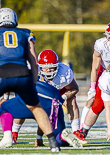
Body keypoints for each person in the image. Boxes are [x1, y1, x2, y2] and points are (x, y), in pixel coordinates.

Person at [0, 8, 59, 152]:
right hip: (22, 73)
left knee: (3, 106)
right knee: (36, 108)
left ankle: (7, 135)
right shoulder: (26, 33)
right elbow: (33, 60)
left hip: (2, 73)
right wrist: (33, 82)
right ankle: (53, 143)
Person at [12, 49, 87, 144]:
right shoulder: (32, 69)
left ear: (57, 66)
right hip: (38, 91)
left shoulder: (64, 72)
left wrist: (63, 97)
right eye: (44, 68)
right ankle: (14, 133)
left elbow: (74, 88)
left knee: (71, 100)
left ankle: (76, 131)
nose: (48, 70)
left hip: (57, 92)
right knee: (24, 103)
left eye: (51, 67)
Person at [0, 74, 82, 148]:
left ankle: (8, 137)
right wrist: (39, 137)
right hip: (55, 100)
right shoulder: (63, 73)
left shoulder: (23, 68)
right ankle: (62, 136)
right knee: (58, 139)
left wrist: (6, 97)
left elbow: (8, 79)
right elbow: (43, 117)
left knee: (4, 107)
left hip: (33, 97)